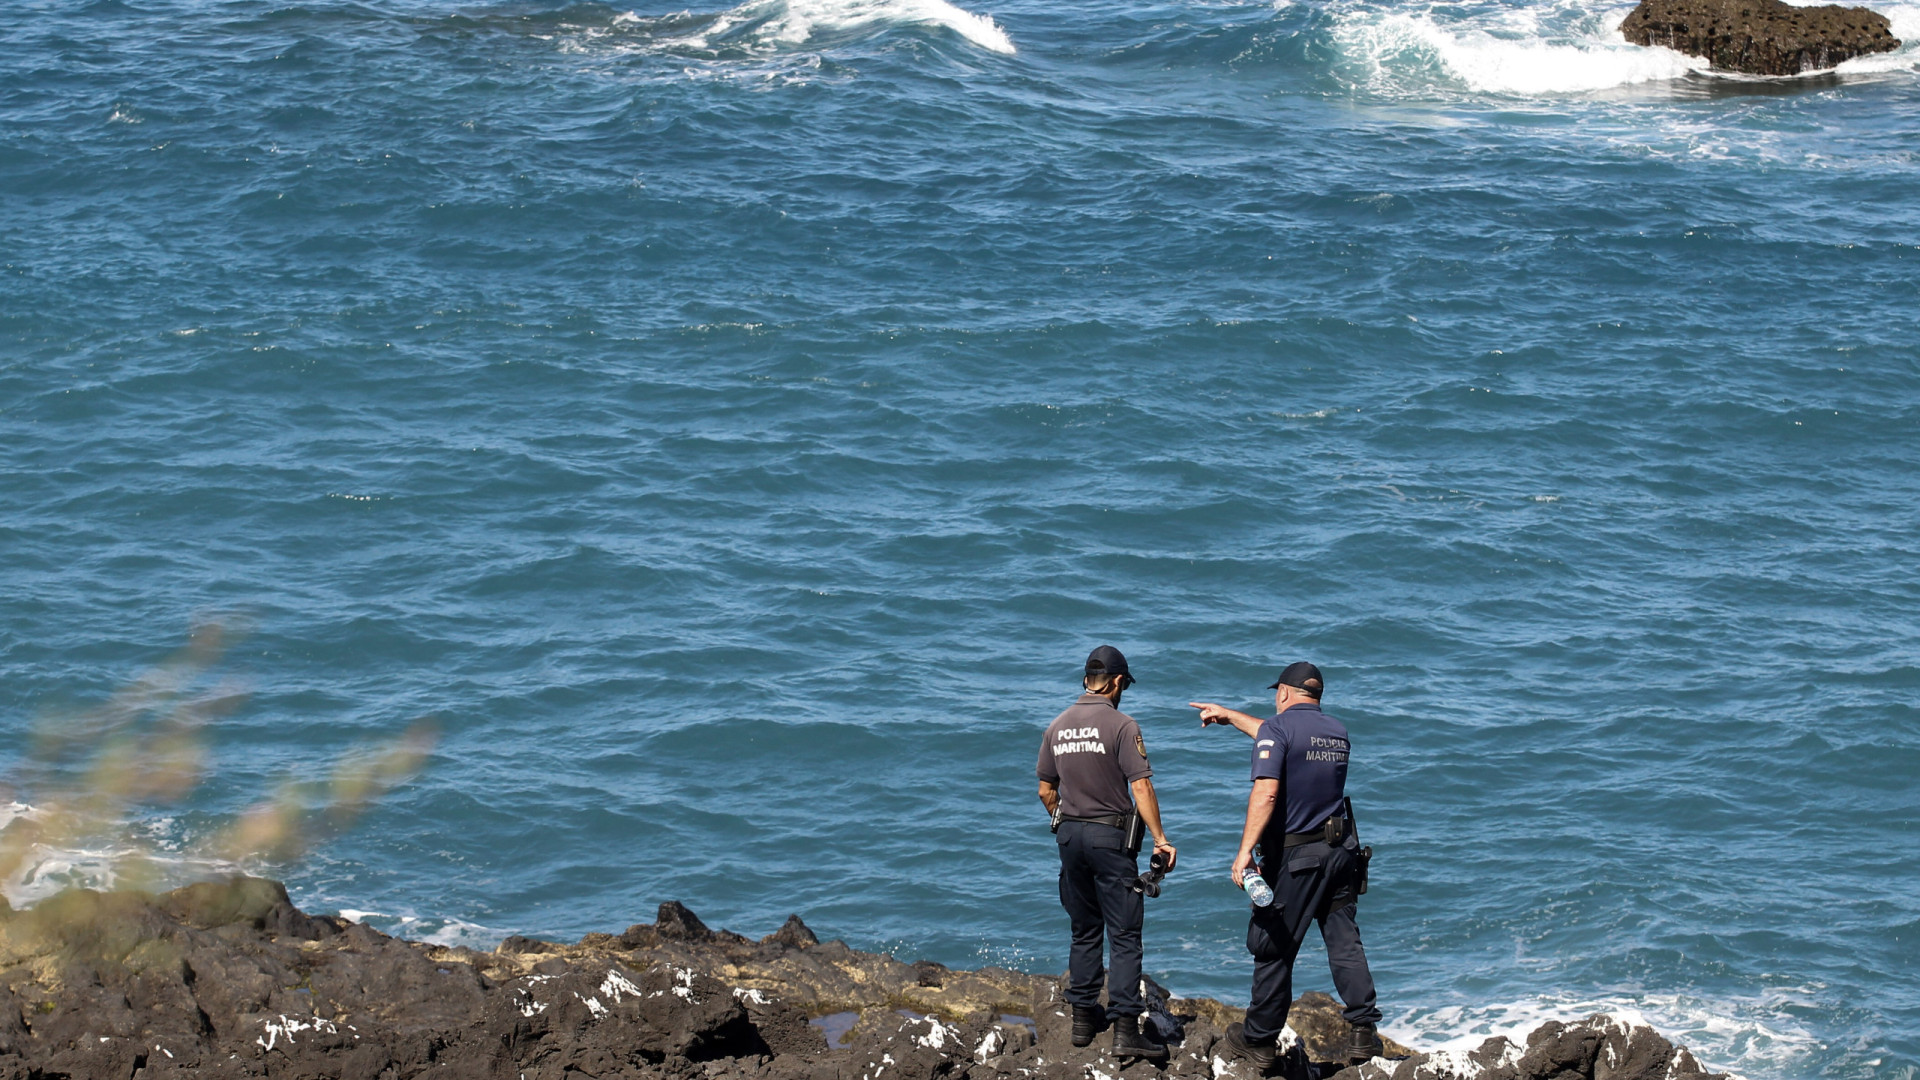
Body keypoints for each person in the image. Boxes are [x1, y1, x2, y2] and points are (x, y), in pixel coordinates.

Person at [1189, 662, 1384, 1071]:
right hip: (1341, 853)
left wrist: (1244, 853)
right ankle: (1364, 1032)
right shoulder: (1337, 732)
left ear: (1282, 693)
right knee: (1343, 939)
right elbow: (1283, 736)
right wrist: (1230, 715)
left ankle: (1258, 1040)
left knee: (1273, 944)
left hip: (1299, 859)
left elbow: (1267, 793)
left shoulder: (1278, 731)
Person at [1037, 645, 1177, 1061]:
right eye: (1124, 686)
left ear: (1086, 680)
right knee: (1124, 933)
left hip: (1069, 837)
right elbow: (1141, 786)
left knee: (1084, 926)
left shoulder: (1057, 726)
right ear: (1116, 682)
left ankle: (1082, 1018)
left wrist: (1065, 819)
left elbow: (1046, 790)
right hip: (1110, 838)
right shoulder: (1121, 725)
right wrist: (1161, 839)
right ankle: (1125, 1029)